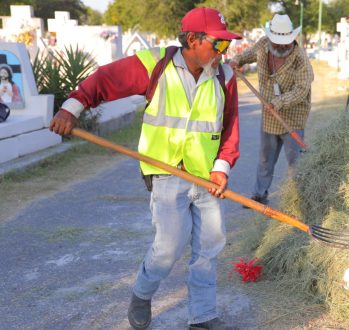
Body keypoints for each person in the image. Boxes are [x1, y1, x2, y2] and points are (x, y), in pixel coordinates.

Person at [49, 7, 241, 330]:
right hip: (166, 171)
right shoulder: (156, 65)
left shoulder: (225, 77)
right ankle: (142, 292)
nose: (224, 51)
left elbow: (231, 125)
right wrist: (73, 106)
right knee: (168, 247)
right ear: (193, 40)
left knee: (210, 245)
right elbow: (108, 80)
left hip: (207, 176)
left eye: (226, 45)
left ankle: (203, 316)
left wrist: (222, 167)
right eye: (218, 44)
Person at [229, 13, 314, 205]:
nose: (281, 46)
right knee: (265, 159)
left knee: (296, 164)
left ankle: (300, 199)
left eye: (285, 43)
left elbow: (302, 90)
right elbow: (247, 55)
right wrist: (237, 61)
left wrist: (279, 102)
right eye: (277, 43)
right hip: (269, 117)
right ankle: (259, 195)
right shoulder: (263, 45)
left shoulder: (300, 59)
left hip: (292, 118)